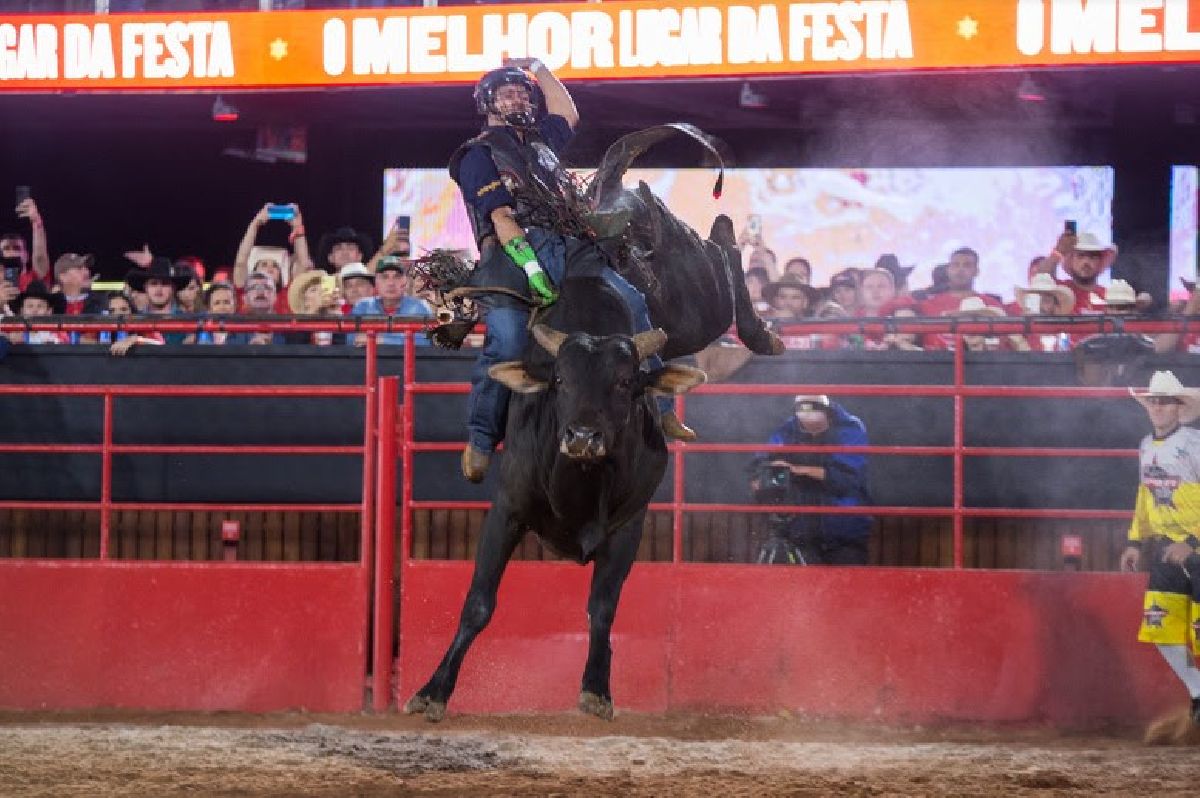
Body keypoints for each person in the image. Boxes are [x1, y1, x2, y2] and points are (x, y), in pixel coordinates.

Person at [448, 58, 692, 483]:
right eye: (508, 93)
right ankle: (481, 440)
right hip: (511, 253)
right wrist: (532, 269)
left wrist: (538, 68)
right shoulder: (478, 154)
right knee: (506, 341)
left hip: (568, 243)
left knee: (632, 301)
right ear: (487, 102)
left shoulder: (540, 140)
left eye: (524, 93)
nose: (520, 98)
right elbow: (503, 219)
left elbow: (567, 112)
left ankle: (664, 410)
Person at [1120, 371, 1200, 736]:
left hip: (1193, 547)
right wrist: (1136, 541)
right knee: (1160, 627)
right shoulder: (1145, 446)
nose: (1156, 406)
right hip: (1168, 548)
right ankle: (1198, 692)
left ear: (1178, 406)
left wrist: (1194, 543)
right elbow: (1144, 495)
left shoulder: (1195, 445)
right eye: (1152, 400)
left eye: (1163, 400)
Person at [749, 395, 871, 565]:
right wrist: (761, 475)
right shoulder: (787, 430)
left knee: (845, 585)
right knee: (802, 587)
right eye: (804, 425)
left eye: (816, 427)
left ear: (827, 414)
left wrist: (798, 470)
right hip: (801, 532)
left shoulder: (850, 429)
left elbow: (847, 480)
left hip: (843, 533)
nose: (809, 429)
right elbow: (761, 460)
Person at [351, 256, 432, 346]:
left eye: (397, 277)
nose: (391, 283)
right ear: (376, 282)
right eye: (384, 277)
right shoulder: (363, 306)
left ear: (405, 282)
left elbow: (424, 343)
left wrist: (379, 340)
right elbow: (351, 341)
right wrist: (399, 340)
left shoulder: (419, 307)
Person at [1036, 229, 1117, 313]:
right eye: (1080, 256)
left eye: (1092, 257)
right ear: (1071, 261)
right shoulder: (1061, 292)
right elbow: (1040, 278)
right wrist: (1058, 251)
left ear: (1100, 262)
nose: (1086, 262)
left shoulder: (1110, 296)